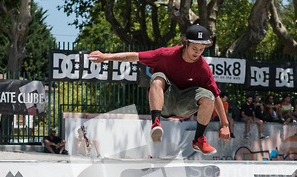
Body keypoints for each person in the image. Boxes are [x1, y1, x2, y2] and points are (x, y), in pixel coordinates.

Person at [88, 24, 230, 156]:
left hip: (184, 106)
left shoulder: (203, 68)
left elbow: (217, 96)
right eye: (194, 48)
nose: (197, 53)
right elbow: (135, 56)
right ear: (186, 44)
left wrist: (224, 124)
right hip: (165, 103)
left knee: (208, 96)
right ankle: (156, 123)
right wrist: (106, 57)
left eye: (201, 50)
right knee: (158, 77)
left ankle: (198, 139)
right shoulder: (165, 54)